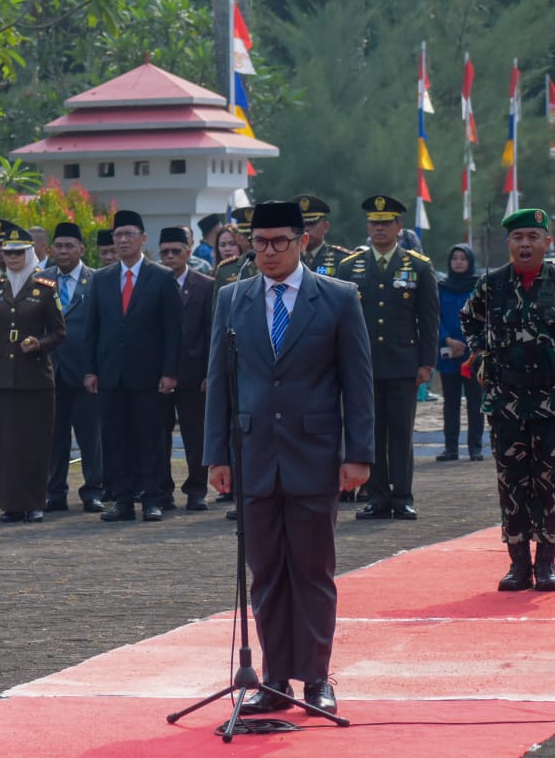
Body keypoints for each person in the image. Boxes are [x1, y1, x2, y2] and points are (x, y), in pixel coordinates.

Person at [206, 199, 374, 716]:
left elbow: (357, 382)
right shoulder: (233, 298)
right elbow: (219, 382)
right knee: (267, 572)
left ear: (303, 241)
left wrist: (359, 455)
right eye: (259, 243)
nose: (268, 252)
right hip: (253, 454)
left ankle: (316, 679)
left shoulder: (338, 298)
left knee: (313, 570)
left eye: (280, 242)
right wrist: (217, 454)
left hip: (316, 455)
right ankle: (273, 679)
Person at [461, 208, 555, 593]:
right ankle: (518, 563)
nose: (525, 244)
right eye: (518, 238)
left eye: (533, 237)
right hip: (506, 402)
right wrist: (481, 355)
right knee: (512, 483)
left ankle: (547, 563)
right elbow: (469, 319)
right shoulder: (492, 285)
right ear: (509, 244)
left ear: (546, 242)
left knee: (548, 483)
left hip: (551, 401)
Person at [339, 195, 439, 520]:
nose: (379, 229)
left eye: (386, 223)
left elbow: (428, 319)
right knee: (371, 433)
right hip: (362, 365)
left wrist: (426, 363)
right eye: (374, 223)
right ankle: (377, 497)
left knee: (400, 434)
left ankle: (402, 496)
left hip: (402, 364)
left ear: (399, 226)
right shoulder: (349, 266)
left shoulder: (418, 266)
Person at [84, 211, 181, 522]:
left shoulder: (162, 277)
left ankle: (153, 499)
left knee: (150, 439)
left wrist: (169, 372)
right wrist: (90, 370)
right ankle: (122, 501)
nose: (122, 240)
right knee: (115, 439)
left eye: (128, 234)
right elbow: (92, 330)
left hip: (149, 375)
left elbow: (173, 331)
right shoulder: (100, 279)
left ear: (143, 238)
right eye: (117, 235)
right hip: (111, 374)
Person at [0, 226, 65, 522]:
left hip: (34, 377)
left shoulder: (44, 289)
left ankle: (35, 502)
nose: (11, 257)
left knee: (35, 442)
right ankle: (11, 505)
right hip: (0, 376)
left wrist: (39, 344)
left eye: (17, 252)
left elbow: (59, 332)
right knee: (4, 444)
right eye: (7, 252)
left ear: (29, 254)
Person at [40, 221, 102, 512]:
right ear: (51, 249)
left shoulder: (98, 279)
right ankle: (55, 491)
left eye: (69, 246)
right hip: (51, 370)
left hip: (85, 371)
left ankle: (93, 491)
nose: (63, 251)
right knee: (54, 435)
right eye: (59, 246)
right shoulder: (41, 279)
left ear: (81, 249)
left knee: (91, 436)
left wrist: (96, 368)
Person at [158, 225, 214, 511]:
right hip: (160, 374)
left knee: (195, 436)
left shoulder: (205, 284)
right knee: (160, 434)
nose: (170, 257)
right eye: (164, 251)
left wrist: (208, 373)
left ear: (188, 253)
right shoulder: (154, 282)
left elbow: (211, 332)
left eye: (175, 251)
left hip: (194, 371)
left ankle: (196, 490)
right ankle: (163, 491)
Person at [436, 243, 485, 462]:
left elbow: (484, 318)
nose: (458, 262)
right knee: (451, 402)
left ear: (470, 262)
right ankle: (451, 448)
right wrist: (447, 339)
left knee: (475, 402)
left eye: (462, 258)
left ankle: (475, 448)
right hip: (448, 353)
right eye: (454, 258)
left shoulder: (478, 286)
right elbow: (434, 317)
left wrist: (466, 343)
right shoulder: (441, 286)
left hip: (472, 354)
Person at [297, 195, 352, 277]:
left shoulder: (342, 260)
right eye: (301, 225)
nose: (306, 229)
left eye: (311, 224)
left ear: (326, 227)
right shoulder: (287, 259)